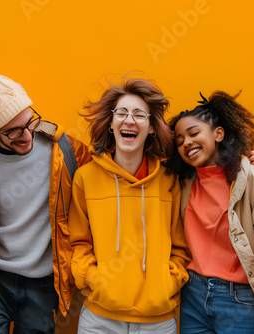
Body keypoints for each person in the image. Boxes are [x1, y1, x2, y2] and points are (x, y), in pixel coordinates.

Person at [0, 65, 91, 333]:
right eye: (12, 131)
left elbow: (97, 200)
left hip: (45, 283)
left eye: (29, 122)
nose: (26, 135)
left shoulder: (68, 151)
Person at [169, 91, 254, 333]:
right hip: (193, 297)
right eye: (179, 141)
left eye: (194, 133)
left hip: (240, 301)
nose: (186, 142)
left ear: (218, 133)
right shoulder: (184, 183)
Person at [67, 76, 191, 334]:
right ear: (112, 124)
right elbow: (77, 243)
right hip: (99, 320)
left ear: (152, 128)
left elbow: (181, 246)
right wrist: (95, 280)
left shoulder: (170, 181)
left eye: (139, 115)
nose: (129, 120)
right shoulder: (86, 178)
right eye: (121, 112)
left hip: (158, 321)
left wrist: (167, 283)